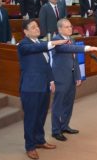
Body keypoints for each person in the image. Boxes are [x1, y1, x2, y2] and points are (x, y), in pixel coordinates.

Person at [18, 19, 67, 160]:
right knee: (31, 118)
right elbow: (33, 49)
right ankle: (30, 146)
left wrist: (51, 80)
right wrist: (53, 43)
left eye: (37, 26)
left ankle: (40, 140)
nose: (37, 29)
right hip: (30, 88)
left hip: (44, 86)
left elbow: (47, 65)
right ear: (25, 31)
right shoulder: (23, 44)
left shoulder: (40, 43)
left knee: (41, 116)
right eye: (33, 27)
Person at [51, 19, 97, 141]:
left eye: (70, 26)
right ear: (60, 29)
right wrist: (87, 48)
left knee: (69, 103)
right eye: (67, 27)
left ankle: (65, 126)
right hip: (60, 78)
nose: (70, 28)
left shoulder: (71, 39)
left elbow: (75, 60)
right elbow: (66, 49)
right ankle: (56, 130)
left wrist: (78, 76)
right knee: (58, 105)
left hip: (71, 76)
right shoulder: (56, 40)